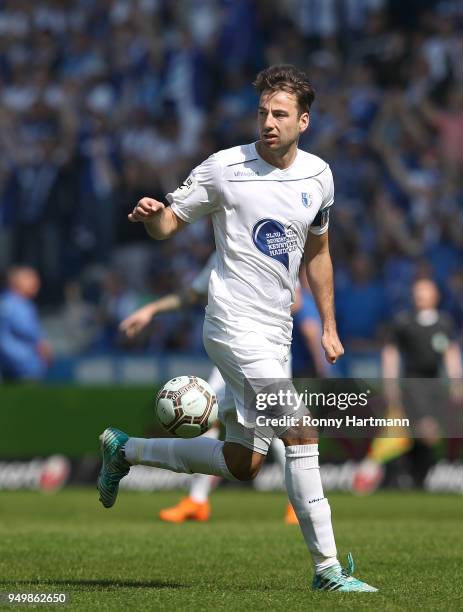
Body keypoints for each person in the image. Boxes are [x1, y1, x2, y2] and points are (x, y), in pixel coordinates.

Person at [98, 64, 377, 592]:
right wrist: (153, 215)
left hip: (276, 331)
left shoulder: (319, 176)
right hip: (230, 323)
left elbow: (319, 251)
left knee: (244, 461)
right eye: (262, 113)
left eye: (279, 114)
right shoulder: (225, 167)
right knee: (300, 429)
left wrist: (329, 325)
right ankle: (328, 570)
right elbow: (169, 225)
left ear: (304, 121)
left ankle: (125, 449)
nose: (268, 122)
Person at [120, 252, 298, 525]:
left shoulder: (264, 243)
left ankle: (296, 503)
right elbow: (191, 293)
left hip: (265, 354)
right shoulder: (222, 252)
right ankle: (198, 500)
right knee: (204, 415)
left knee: (277, 430)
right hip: (228, 353)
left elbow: (295, 300)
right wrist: (151, 310)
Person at [353, 277, 463, 493]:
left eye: (425, 291)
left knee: (422, 434)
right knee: (424, 429)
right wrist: (390, 384)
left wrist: (457, 383)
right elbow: (391, 354)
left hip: (434, 384)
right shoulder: (404, 322)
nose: (421, 295)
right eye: (418, 291)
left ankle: (411, 476)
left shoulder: (444, 322)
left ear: (436, 295)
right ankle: (398, 474)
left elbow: (452, 354)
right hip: (412, 383)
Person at [0, 266, 52, 382]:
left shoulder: (17, 303)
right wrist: (44, 348)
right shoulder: (14, 304)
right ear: (15, 281)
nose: (36, 281)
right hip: (22, 367)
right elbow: (31, 334)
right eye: (30, 277)